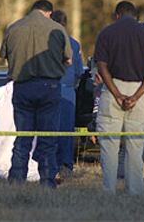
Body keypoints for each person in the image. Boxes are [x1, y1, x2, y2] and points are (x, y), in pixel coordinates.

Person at [0, 0, 72, 188]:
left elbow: (5, 56)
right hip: (49, 88)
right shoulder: (57, 28)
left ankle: (16, 181)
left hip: (22, 87)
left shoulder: (14, 28)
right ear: (48, 12)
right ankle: (47, 182)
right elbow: (68, 60)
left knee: (22, 138)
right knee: (48, 138)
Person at [93, 1, 144, 195]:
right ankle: (135, 191)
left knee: (109, 145)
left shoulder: (106, 33)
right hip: (139, 91)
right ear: (136, 16)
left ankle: (109, 190)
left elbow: (102, 66)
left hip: (112, 89)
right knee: (136, 145)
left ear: (117, 15)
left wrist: (116, 93)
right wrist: (137, 95)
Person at [50, 10, 84, 180]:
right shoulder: (74, 44)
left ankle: (50, 164)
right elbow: (79, 71)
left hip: (49, 88)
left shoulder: (46, 42)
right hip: (68, 90)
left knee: (48, 127)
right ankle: (66, 164)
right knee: (66, 128)